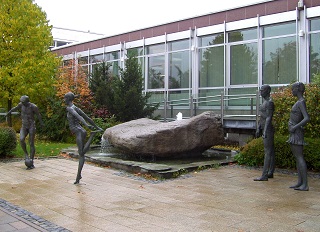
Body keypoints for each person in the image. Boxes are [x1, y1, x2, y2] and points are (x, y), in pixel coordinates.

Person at [64, 92, 103, 184]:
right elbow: (87, 118)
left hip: (78, 132)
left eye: (65, 98)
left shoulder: (69, 108)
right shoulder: (76, 108)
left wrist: (87, 126)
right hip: (81, 131)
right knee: (82, 154)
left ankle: (92, 136)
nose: (64, 100)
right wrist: (96, 127)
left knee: (81, 153)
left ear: (68, 99)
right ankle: (78, 176)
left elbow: (80, 117)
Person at [5, 95, 43, 169]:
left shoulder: (33, 106)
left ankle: (31, 160)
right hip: (24, 126)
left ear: (27, 102)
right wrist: (8, 112)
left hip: (31, 126)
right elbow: (15, 108)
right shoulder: (21, 105)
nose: (21, 103)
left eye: (23, 102)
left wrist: (41, 123)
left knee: (31, 143)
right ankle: (26, 155)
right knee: (21, 139)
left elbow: (38, 114)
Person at [287, 82, 310, 191]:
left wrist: (294, 127)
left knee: (300, 157)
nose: (292, 91)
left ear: (297, 89)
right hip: (294, 132)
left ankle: (305, 184)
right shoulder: (299, 102)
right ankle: (300, 182)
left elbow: (306, 118)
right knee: (297, 157)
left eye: (293, 89)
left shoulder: (301, 102)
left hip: (296, 133)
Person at [254, 85, 275, 181]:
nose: (260, 92)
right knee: (271, 150)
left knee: (268, 151)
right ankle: (270, 171)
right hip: (263, 127)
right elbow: (262, 116)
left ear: (267, 91)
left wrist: (265, 130)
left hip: (268, 129)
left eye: (262, 90)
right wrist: (259, 127)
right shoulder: (264, 102)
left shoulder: (270, 102)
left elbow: (269, 118)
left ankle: (264, 175)